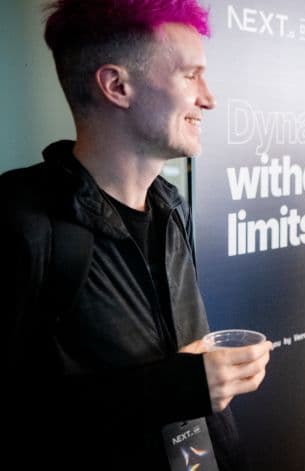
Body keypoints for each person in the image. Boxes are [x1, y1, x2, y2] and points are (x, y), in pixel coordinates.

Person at [1, 1, 272, 469]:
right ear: (117, 86)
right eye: (191, 76)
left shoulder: (170, 205)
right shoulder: (20, 217)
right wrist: (177, 387)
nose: (209, 99)